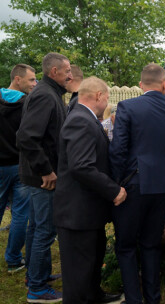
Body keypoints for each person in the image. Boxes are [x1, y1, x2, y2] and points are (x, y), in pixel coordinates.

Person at [109, 63, 165, 304]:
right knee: (151, 244)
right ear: (164, 84)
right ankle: (153, 298)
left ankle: (134, 300)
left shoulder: (128, 106)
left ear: (140, 85)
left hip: (133, 184)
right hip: (164, 184)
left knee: (125, 245)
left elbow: (118, 150)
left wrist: (116, 184)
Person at [53, 77, 125, 304]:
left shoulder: (85, 118)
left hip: (87, 212)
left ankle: (94, 294)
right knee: (78, 271)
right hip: (77, 213)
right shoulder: (81, 121)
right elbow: (81, 167)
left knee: (91, 261)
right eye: (107, 97)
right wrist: (113, 190)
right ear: (98, 96)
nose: (107, 101)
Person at [17, 52, 72, 303]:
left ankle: (35, 274)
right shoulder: (45, 96)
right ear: (54, 73)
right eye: (67, 71)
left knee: (37, 227)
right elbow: (27, 137)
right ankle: (37, 289)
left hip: (38, 174)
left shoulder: (50, 94)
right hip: (43, 177)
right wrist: (46, 170)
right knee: (45, 231)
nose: (71, 75)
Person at [0, 64, 36, 273]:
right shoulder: (27, 105)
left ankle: (14, 258)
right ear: (17, 79)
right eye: (31, 80)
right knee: (21, 213)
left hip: (6, 165)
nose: (34, 84)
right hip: (19, 165)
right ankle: (13, 259)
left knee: (20, 213)